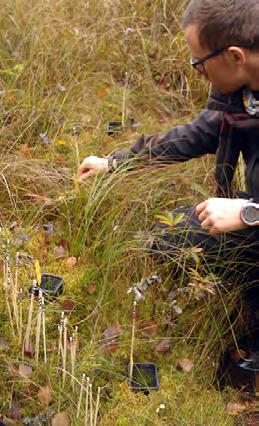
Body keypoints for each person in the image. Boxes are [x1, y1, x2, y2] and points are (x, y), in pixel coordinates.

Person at [77, 0, 259, 286]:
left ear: (236, 57)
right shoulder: (245, 95)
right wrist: (114, 164)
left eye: (200, 63)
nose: (197, 72)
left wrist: (249, 213)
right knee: (170, 240)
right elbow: (196, 134)